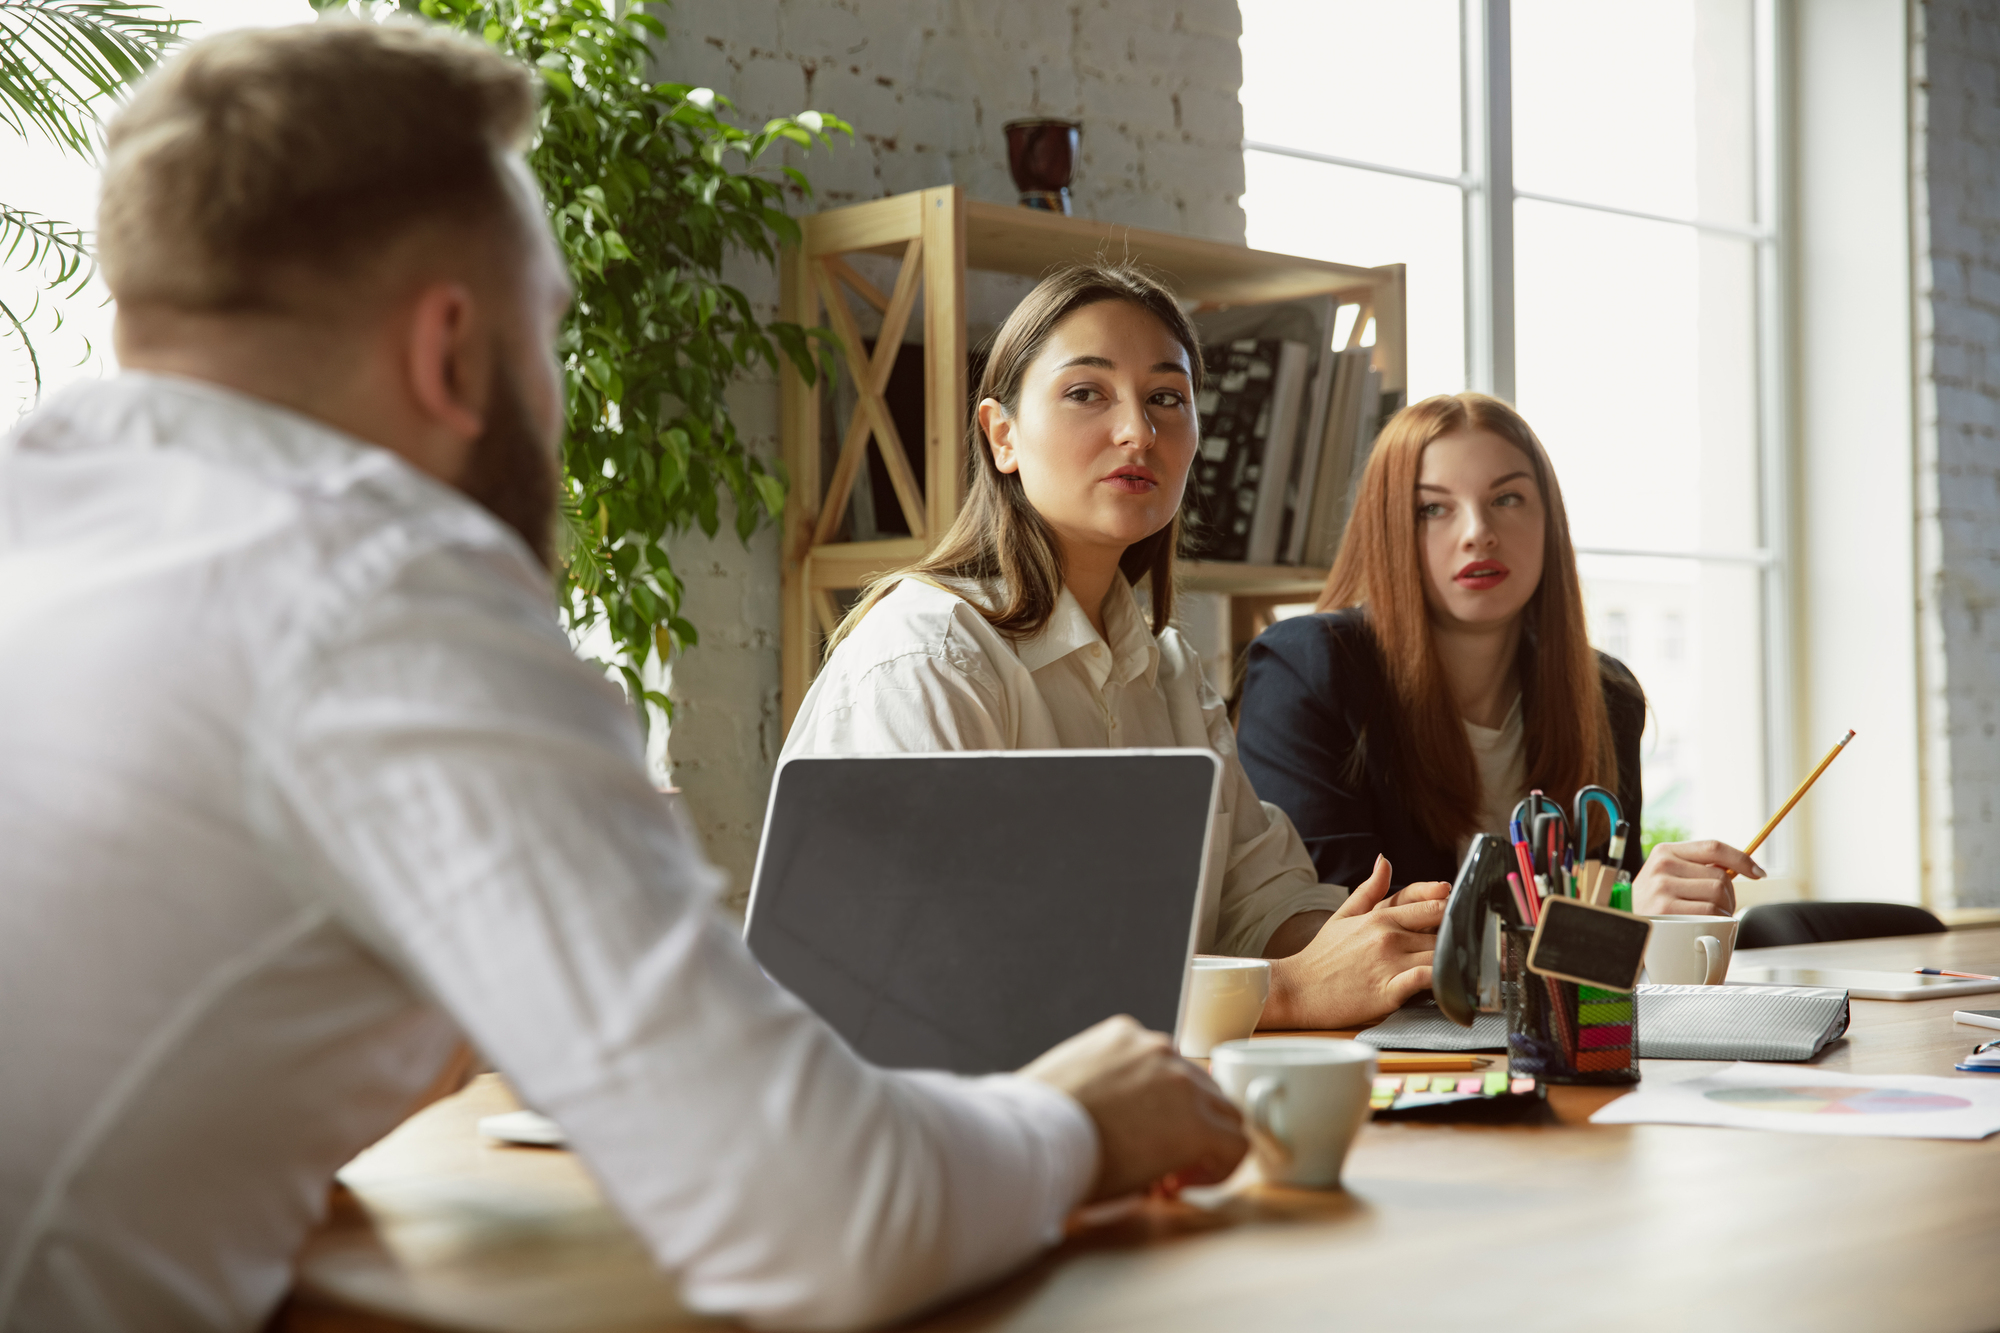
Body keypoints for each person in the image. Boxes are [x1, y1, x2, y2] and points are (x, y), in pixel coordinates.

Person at [0, 24, 1252, 1333]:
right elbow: (820, 1221)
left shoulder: (53, 528)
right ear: (449, 348)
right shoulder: (387, 590)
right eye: (546, 329)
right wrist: (1078, 1122)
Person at [781, 263, 1449, 1031]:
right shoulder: (928, 655)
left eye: (1167, 397)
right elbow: (942, 978)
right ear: (1002, 435)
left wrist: (1373, 942)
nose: (1139, 430)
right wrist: (1288, 990)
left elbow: (1256, 899)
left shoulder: (1167, 669)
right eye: (1086, 393)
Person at [1235, 392, 1761, 917]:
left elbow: (1608, 967)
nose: (1478, 534)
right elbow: (1339, 941)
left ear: (1549, 520)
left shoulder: (1607, 695)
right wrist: (1607, 922)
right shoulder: (1305, 670)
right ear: (1389, 529)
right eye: (1433, 509)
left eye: (1506, 499)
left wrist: (1654, 919)